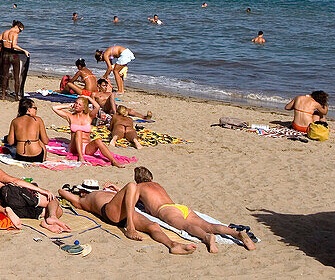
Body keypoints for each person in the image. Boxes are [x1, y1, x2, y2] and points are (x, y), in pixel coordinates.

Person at [132, 166, 255, 252]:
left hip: (165, 210)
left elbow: (138, 204)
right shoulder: (157, 185)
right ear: (151, 177)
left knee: (186, 226)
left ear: (137, 180)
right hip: (180, 207)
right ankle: (237, 234)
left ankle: (206, 237)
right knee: (209, 225)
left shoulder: (138, 187)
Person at [57, 183, 196, 254]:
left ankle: (172, 245)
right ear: (81, 191)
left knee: (153, 225)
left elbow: (126, 196)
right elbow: (61, 192)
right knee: (131, 185)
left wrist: (114, 189)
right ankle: (130, 227)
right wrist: (68, 190)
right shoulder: (82, 200)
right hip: (110, 212)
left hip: (124, 210)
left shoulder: (97, 193)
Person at [0, 148, 70, 233]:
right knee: (52, 199)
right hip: (10, 195)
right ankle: (52, 218)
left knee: (58, 210)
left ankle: (47, 221)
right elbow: (15, 181)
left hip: (9, 206)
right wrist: (41, 190)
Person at [51, 95, 126, 167]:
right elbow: (54, 108)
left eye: (79, 104)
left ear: (84, 107)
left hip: (86, 147)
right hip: (74, 148)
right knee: (78, 132)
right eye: (76, 103)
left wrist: (88, 98)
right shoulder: (70, 116)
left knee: (98, 141)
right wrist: (68, 106)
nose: (77, 105)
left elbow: (97, 107)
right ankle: (80, 157)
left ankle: (113, 161)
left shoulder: (88, 116)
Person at [5, 97, 49, 162]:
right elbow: (46, 141)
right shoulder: (38, 120)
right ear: (28, 109)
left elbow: (10, 142)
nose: (36, 110)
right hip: (37, 156)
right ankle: (43, 159)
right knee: (40, 142)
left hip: (21, 156)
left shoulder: (15, 121)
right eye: (35, 108)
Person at [0, 20, 29, 100]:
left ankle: (3, 95)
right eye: (20, 30)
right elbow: (14, 45)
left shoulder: (4, 32)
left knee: (4, 75)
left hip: (5, 55)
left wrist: (3, 44)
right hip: (13, 55)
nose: (19, 32)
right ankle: (17, 96)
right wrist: (24, 50)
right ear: (16, 27)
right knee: (16, 76)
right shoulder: (15, 34)